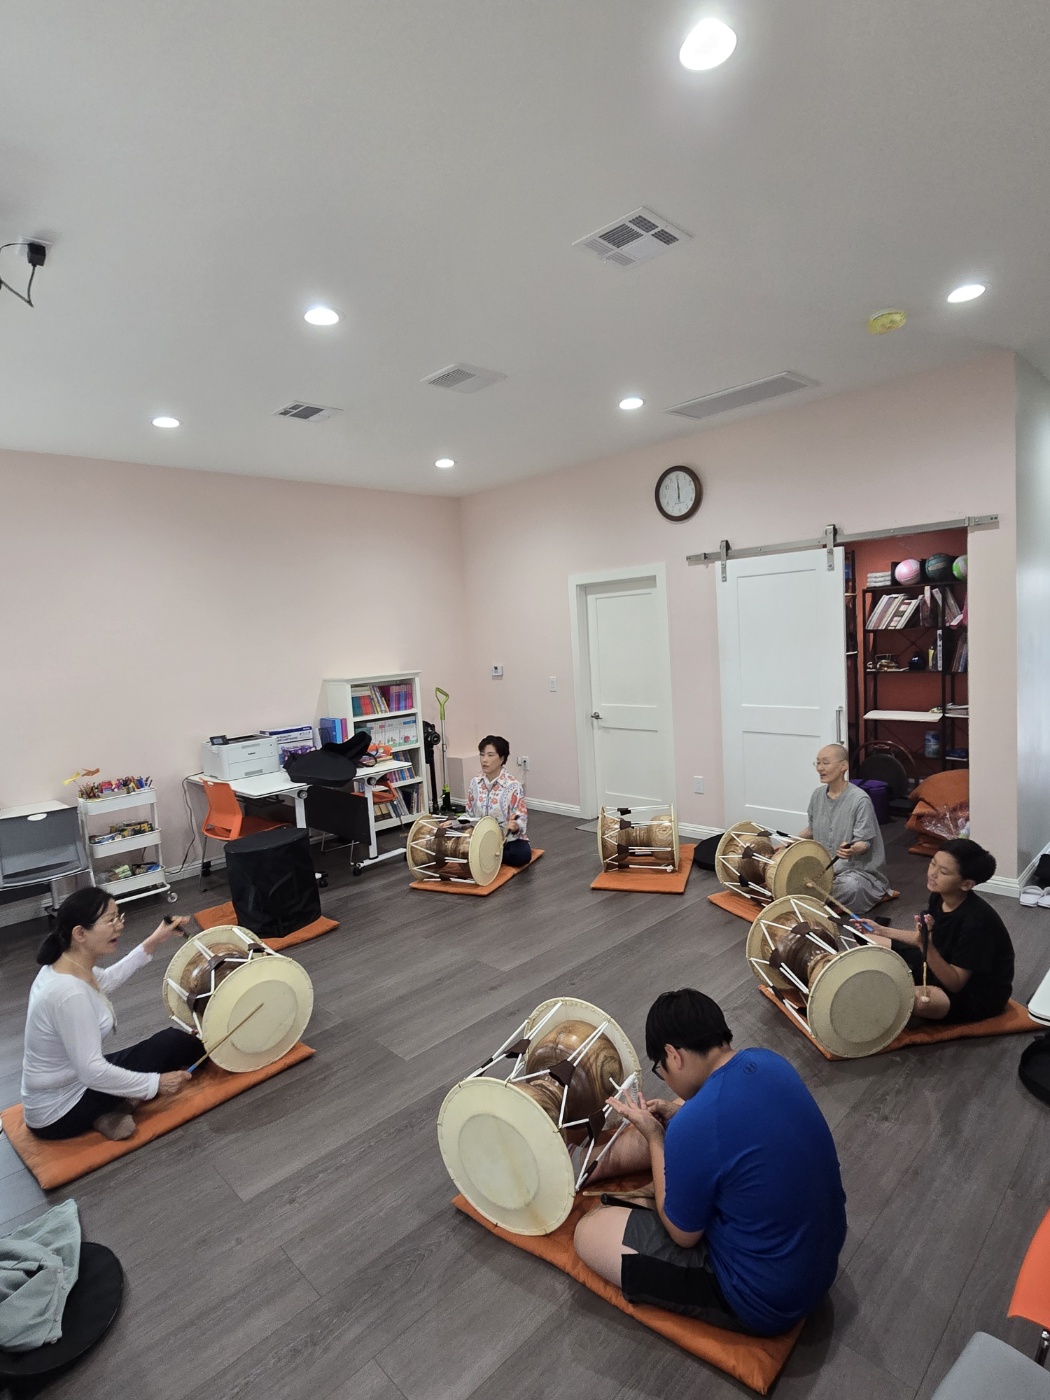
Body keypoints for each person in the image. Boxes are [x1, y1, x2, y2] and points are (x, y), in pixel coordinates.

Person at [574, 989, 846, 1336]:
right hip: (818, 1265)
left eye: (660, 1069)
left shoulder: (697, 1123)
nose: (665, 1077)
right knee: (683, 1108)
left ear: (673, 1055)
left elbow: (682, 1236)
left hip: (764, 1299)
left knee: (589, 1231)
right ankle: (589, 1164)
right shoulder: (769, 1061)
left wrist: (656, 1138)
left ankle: (582, 1165)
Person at [21, 888, 200, 1141]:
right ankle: (114, 1108)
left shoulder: (66, 964)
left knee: (172, 1043)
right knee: (176, 1045)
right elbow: (92, 1072)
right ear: (80, 933)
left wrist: (155, 939)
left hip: (72, 1080)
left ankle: (116, 1108)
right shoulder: (68, 993)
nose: (119, 926)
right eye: (110, 920)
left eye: (118, 917)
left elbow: (107, 979)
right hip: (59, 1112)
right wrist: (156, 1084)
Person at [862, 839, 1013, 1022]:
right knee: (869, 941)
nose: (932, 873)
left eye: (943, 872)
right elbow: (927, 939)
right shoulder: (939, 897)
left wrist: (924, 944)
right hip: (940, 959)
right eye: (933, 863)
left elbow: (955, 984)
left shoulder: (977, 922)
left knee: (915, 1001)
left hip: (975, 993)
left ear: (966, 884)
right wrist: (881, 930)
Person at [799, 743, 890, 913]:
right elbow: (811, 829)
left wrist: (851, 850)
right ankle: (815, 893)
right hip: (825, 868)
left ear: (843, 766)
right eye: (818, 763)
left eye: (825, 763)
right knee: (796, 872)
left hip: (857, 871)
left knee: (851, 886)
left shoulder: (860, 800)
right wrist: (788, 843)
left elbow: (864, 843)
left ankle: (811, 895)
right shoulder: (817, 795)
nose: (820, 768)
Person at [464, 734, 531, 867]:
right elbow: (470, 814)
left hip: (506, 840)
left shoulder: (513, 786)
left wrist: (515, 825)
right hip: (480, 837)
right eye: (482, 755)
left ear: (501, 758)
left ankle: (484, 856)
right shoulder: (475, 783)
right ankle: (486, 855)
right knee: (456, 842)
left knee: (521, 854)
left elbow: (521, 817)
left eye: (490, 755)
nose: (484, 760)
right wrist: (453, 823)